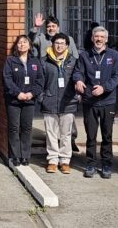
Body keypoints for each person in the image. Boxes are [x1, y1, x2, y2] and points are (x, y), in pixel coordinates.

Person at [72, 25, 118, 179]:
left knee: (107, 135)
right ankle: (91, 163)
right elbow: (78, 72)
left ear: (106, 39)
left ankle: (106, 164)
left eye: (102, 37)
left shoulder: (114, 55)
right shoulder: (84, 55)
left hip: (108, 101)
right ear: (92, 38)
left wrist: (104, 88)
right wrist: (79, 81)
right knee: (91, 135)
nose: (99, 39)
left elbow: (117, 76)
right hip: (90, 101)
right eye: (96, 36)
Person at [2, 35, 44, 166]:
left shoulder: (35, 62)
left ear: (30, 46)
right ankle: (15, 155)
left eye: (25, 42)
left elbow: (40, 80)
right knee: (14, 128)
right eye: (19, 43)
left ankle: (25, 155)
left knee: (26, 128)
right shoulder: (10, 61)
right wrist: (18, 93)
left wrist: (32, 93)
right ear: (16, 46)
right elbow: (7, 80)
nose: (22, 45)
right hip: (14, 101)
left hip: (30, 101)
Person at [40, 33, 78, 174]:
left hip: (68, 103)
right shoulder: (44, 61)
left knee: (66, 134)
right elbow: (40, 82)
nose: (59, 45)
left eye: (62, 43)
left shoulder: (73, 61)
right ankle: (52, 160)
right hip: (49, 101)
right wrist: (42, 98)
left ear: (67, 45)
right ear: (52, 44)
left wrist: (77, 97)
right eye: (57, 43)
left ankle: (65, 160)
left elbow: (78, 79)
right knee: (50, 133)